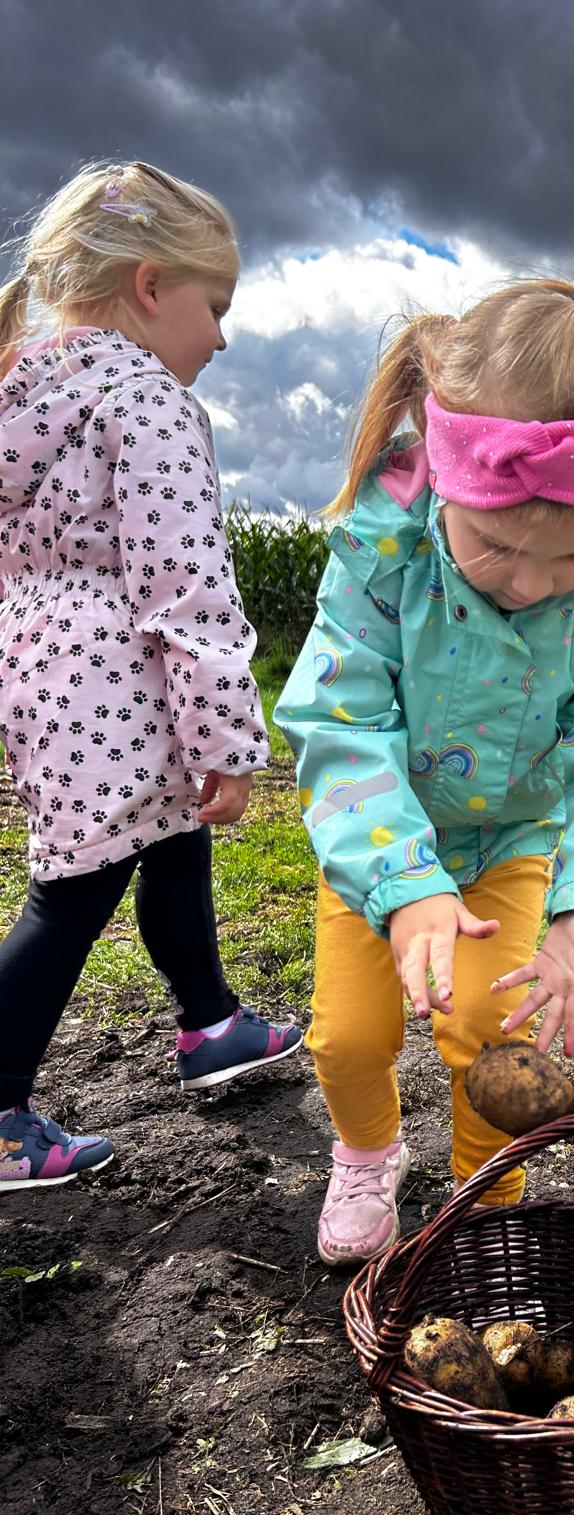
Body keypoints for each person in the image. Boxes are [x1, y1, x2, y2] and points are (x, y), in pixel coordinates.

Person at [276, 279, 574, 1264]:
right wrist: (404, 883)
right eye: (496, 545)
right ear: (449, 476)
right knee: (347, 1038)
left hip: (508, 843)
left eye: (568, 558)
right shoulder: (382, 548)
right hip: (380, 839)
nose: (531, 584)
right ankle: (367, 1155)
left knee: (495, 1042)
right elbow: (339, 716)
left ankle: (487, 1201)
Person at [0, 159, 302, 1190]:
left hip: (46, 676)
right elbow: (186, 588)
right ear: (149, 286)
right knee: (72, 893)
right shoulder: (148, 402)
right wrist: (228, 739)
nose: (220, 337)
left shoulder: (25, 398)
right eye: (216, 306)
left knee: (171, 837)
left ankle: (210, 1021)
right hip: (120, 680)